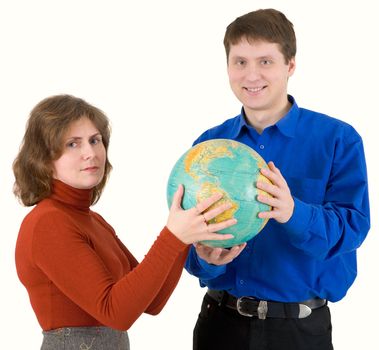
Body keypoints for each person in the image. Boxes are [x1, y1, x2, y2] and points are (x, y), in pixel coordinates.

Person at [185, 8, 370, 350]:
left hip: (298, 333)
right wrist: (205, 258)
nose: (251, 74)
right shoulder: (208, 146)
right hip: (218, 326)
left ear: (290, 65)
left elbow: (353, 228)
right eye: (240, 61)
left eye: (265, 61)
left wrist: (292, 212)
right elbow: (188, 238)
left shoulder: (338, 139)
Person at [13, 94, 237, 350]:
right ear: (43, 159)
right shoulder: (48, 222)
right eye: (73, 144)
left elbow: (152, 302)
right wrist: (174, 236)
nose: (91, 153)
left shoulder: (91, 220)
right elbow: (116, 314)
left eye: (95, 140)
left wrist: (184, 239)